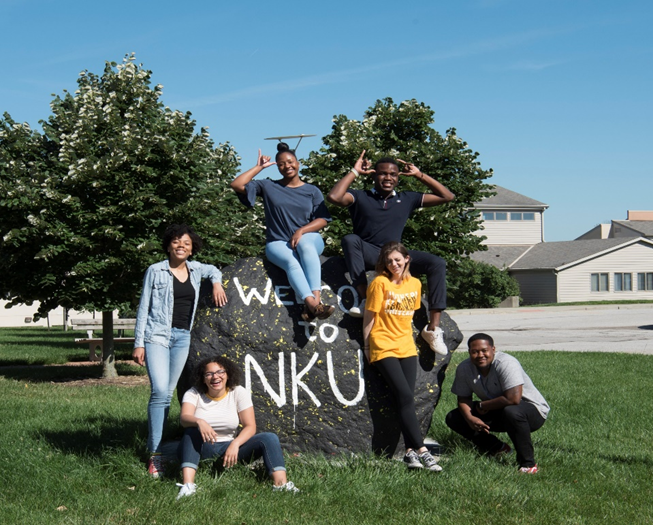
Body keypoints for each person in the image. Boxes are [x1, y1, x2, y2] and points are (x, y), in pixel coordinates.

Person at [327, 151, 454, 355]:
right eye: (383, 174)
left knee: (436, 262)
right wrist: (354, 171)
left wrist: (419, 175)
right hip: (369, 253)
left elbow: (447, 196)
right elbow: (334, 197)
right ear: (374, 175)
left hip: (395, 256)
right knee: (350, 239)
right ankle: (364, 299)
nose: (388, 178)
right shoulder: (360, 196)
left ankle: (432, 329)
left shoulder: (407, 199)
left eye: (393, 174)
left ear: (398, 177)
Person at [133, 224, 227, 478]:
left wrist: (216, 283)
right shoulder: (155, 270)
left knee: (167, 394)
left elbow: (213, 270)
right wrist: (138, 343)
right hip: (157, 336)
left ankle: (161, 444)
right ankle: (155, 454)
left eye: (186, 243)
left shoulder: (197, 270)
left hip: (182, 338)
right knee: (160, 392)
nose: (181, 246)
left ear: (191, 247)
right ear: (168, 246)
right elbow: (144, 308)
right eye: (176, 242)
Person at [363, 241, 442, 471]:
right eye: (389, 261)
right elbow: (369, 317)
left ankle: (409, 452)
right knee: (405, 396)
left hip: (406, 346)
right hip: (383, 345)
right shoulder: (379, 283)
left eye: (397, 259)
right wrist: (368, 348)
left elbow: (409, 317)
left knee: (404, 399)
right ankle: (422, 450)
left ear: (407, 259)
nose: (393, 264)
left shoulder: (416, 284)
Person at [231, 143, 334, 321]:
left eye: (290, 162)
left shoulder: (312, 191)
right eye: (281, 164)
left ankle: (315, 301)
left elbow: (323, 219)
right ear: (277, 167)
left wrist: (301, 231)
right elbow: (237, 184)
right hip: (278, 243)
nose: (287, 166)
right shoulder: (268, 186)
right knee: (291, 263)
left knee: (305, 246)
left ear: (298, 163)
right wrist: (259, 167)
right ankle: (313, 305)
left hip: (309, 238)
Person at [176, 355, 299, 499]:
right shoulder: (194, 393)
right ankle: (188, 486)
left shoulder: (238, 392)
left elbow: (250, 426)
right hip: (200, 447)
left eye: (220, 372)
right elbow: (184, 418)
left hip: (229, 450)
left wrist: (235, 444)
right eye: (209, 374)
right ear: (203, 379)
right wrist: (199, 422)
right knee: (191, 431)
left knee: (269, 438)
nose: (215, 377)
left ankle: (281, 485)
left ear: (227, 374)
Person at [445, 333, 549, 474]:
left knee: (512, 411)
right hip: (499, 409)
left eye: (484, 350)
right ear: (469, 352)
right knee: (454, 417)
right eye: (475, 352)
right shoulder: (464, 368)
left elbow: (514, 399)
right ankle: (497, 448)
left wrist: (482, 406)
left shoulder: (506, 363)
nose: (480, 355)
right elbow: (463, 399)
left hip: (532, 411)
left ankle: (528, 464)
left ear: (493, 349)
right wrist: (471, 419)